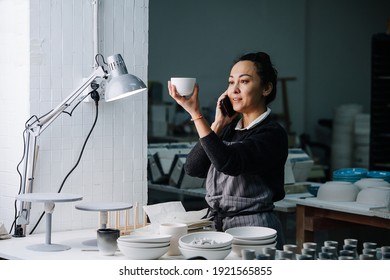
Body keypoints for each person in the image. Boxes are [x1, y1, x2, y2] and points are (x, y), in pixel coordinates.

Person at [168, 52, 288, 248]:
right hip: (220, 228)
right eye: (231, 83)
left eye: (244, 82)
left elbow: (229, 162)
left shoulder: (271, 133)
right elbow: (193, 168)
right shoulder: (228, 130)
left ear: (266, 88)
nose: (235, 90)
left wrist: (196, 115)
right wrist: (217, 125)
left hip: (255, 230)